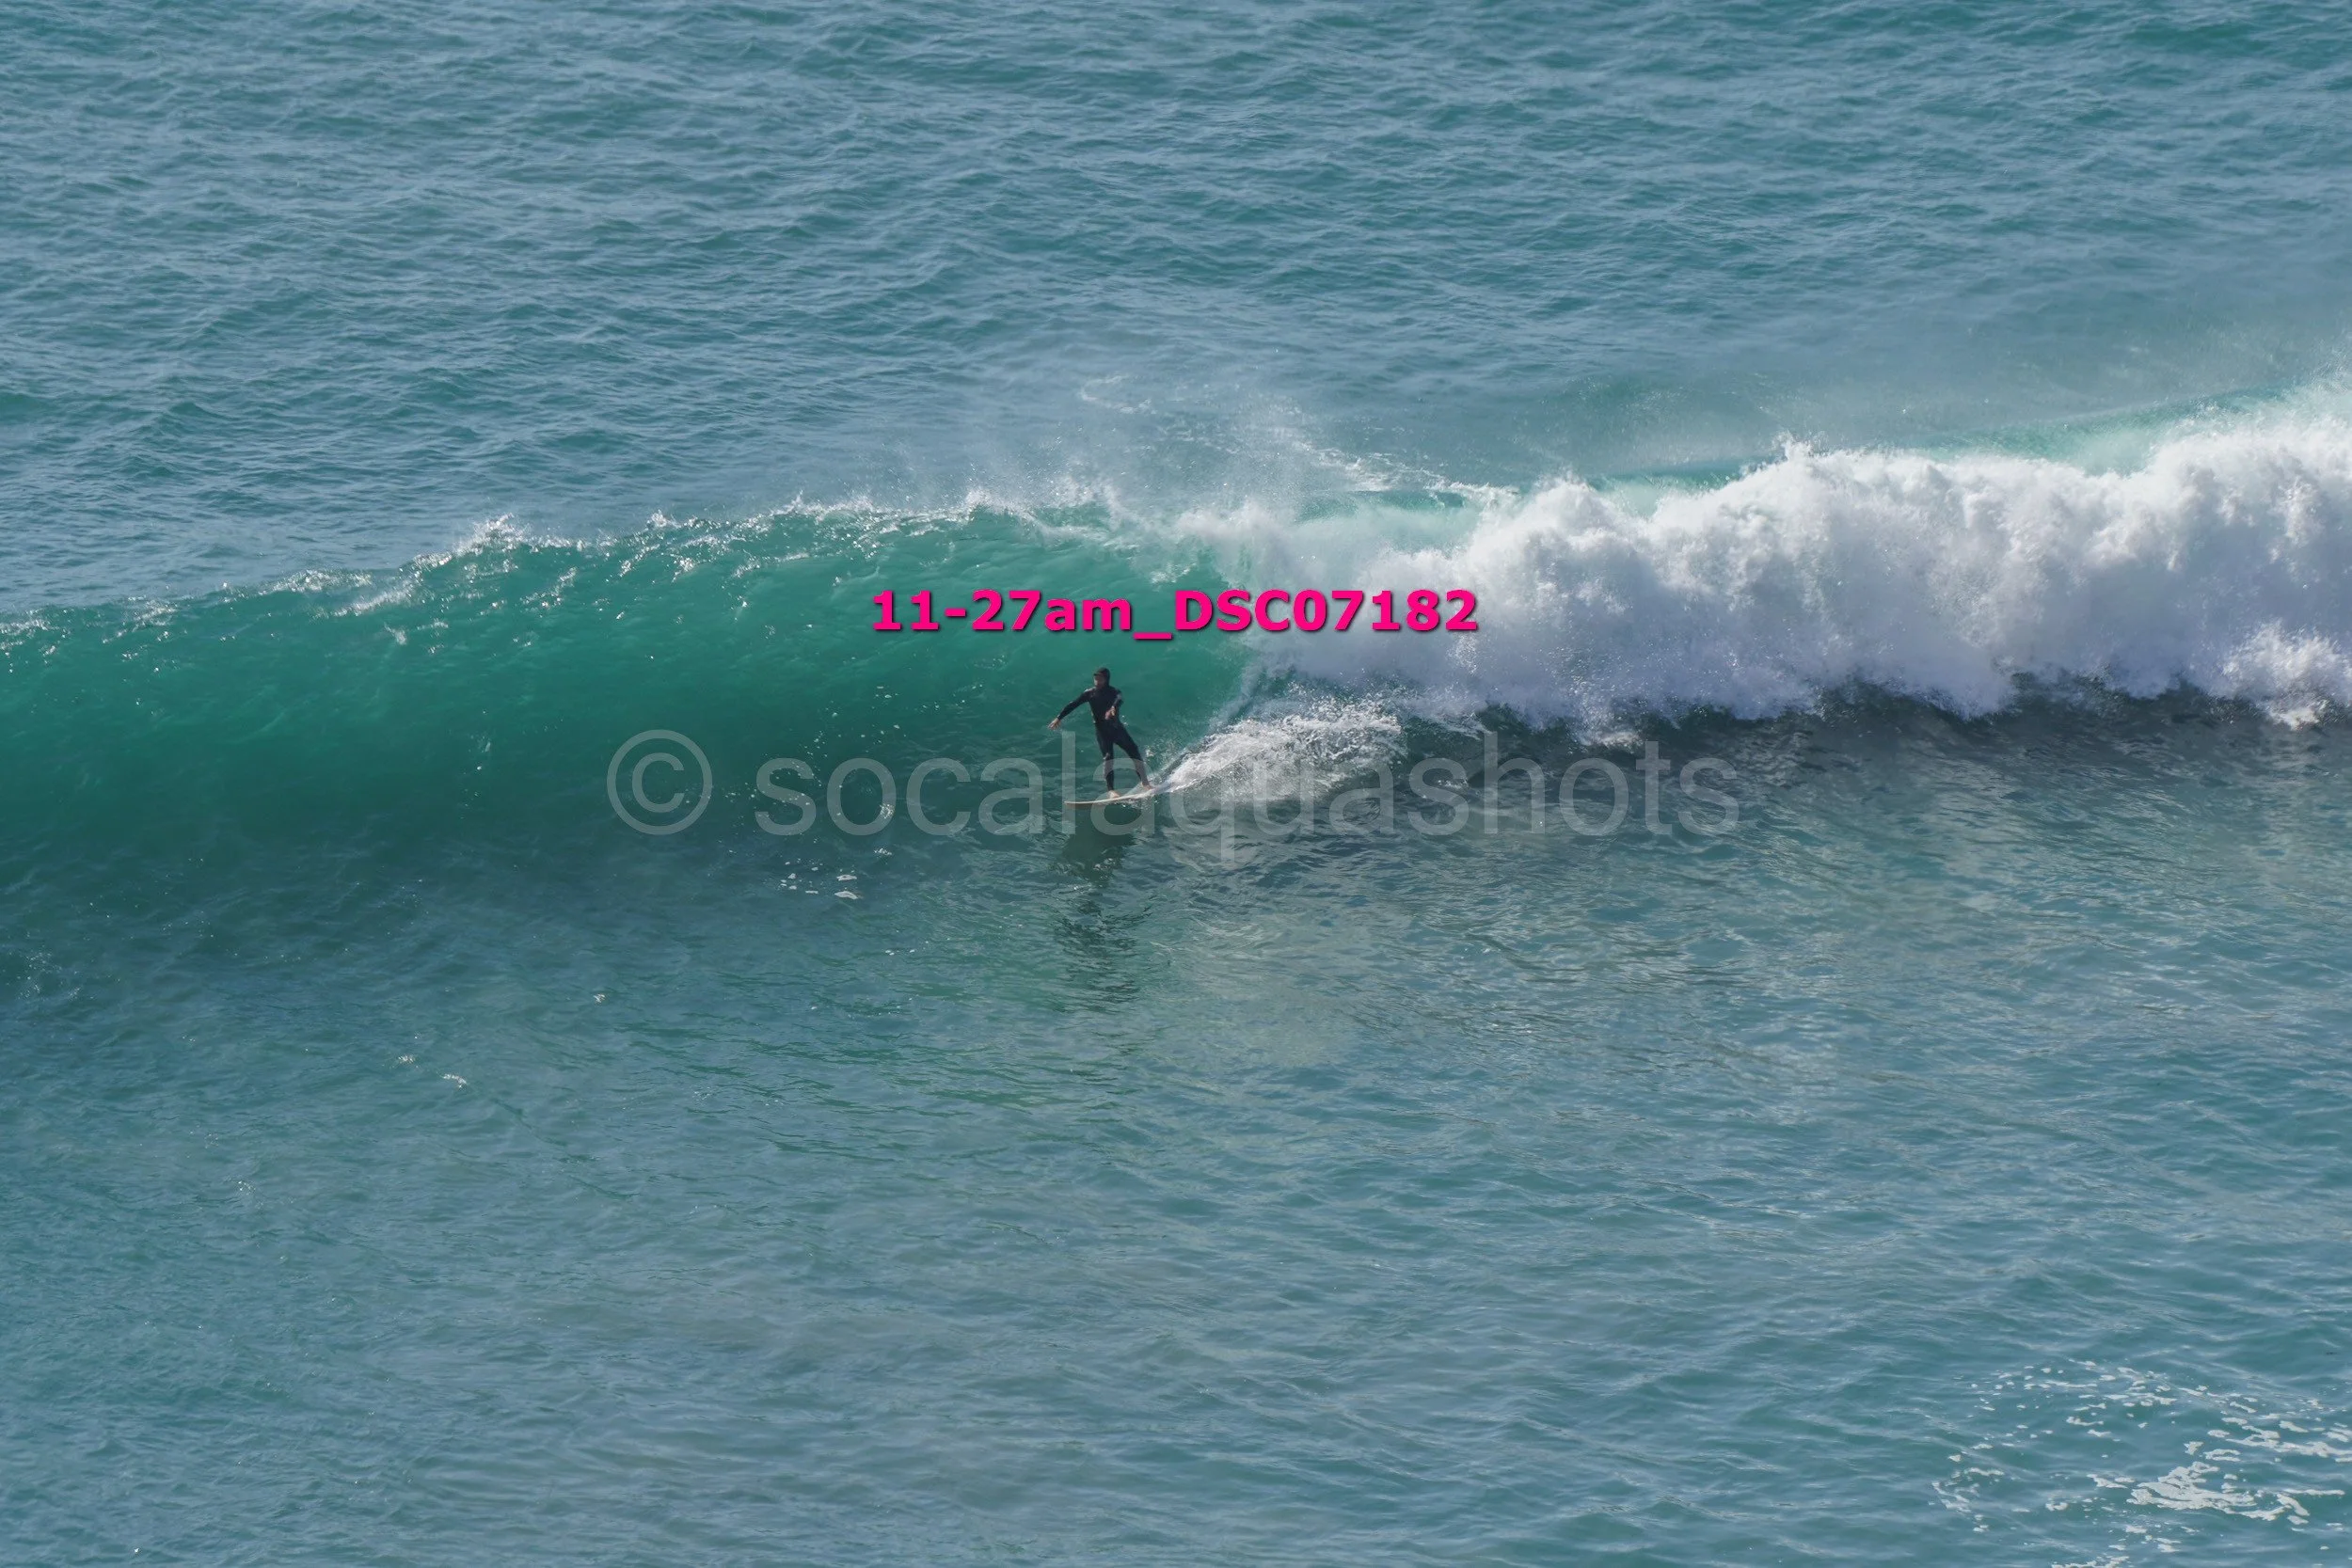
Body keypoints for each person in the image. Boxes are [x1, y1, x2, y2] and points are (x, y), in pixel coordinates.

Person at [1052, 667, 1152, 796]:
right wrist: (1059, 717)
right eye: (1096, 678)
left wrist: (1113, 708)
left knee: (1134, 751)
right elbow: (1073, 704)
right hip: (1102, 732)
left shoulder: (1114, 692)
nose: (1097, 681)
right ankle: (1111, 791)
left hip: (1117, 729)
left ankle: (1145, 783)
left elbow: (1119, 699)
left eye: (1100, 679)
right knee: (1108, 758)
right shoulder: (1090, 693)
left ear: (1106, 679)